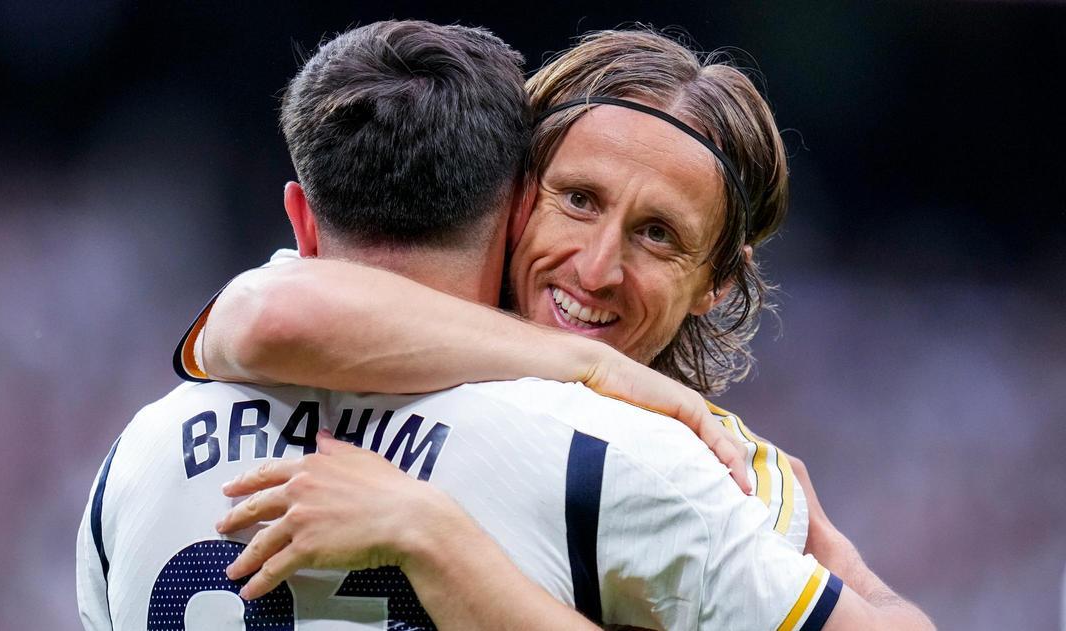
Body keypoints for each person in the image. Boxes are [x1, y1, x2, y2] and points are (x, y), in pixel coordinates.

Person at [79, 20, 930, 630]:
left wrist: (836, 551)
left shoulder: (134, 460)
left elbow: (265, 313)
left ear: (718, 281)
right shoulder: (649, 460)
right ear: (518, 195)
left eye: (657, 234)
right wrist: (441, 543)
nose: (597, 267)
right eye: (579, 199)